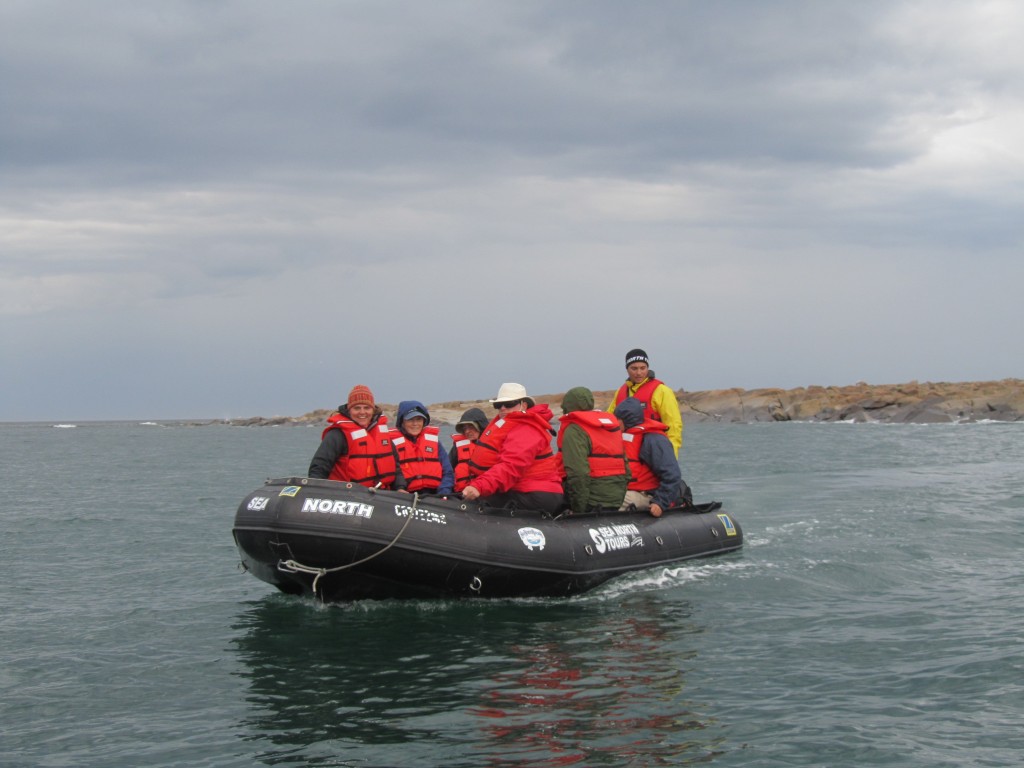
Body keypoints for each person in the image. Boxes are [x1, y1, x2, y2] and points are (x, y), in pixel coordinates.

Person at [461, 383, 563, 514]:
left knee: (478, 503)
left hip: (538, 495)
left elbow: (510, 466)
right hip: (523, 490)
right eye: (498, 405)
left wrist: (479, 486)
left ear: (524, 405)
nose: (503, 408)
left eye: (509, 404)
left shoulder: (527, 429)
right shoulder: (513, 427)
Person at [308, 385, 399, 487]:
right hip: (348, 495)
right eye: (357, 408)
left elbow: (396, 466)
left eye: (367, 408)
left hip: (380, 495)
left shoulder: (382, 433)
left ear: (373, 410)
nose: (362, 412)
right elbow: (319, 466)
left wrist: (400, 487)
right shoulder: (337, 434)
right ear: (349, 410)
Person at [557, 386, 629, 514]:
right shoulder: (611, 428)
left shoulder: (575, 430)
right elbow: (626, 470)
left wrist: (579, 511)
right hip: (616, 499)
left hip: (591, 502)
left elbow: (578, 473)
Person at [614, 397, 688, 517]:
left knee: (611, 501)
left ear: (627, 420)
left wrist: (660, 502)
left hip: (646, 494)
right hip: (625, 490)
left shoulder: (653, 440)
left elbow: (672, 474)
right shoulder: (623, 436)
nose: (615, 423)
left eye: (618, 419)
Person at [607, 348, 683, 457]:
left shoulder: (662, 391)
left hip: (653, 452)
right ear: (627, 369)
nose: (639, 373)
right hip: (627, 454)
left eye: (643, 368)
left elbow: (674, 426)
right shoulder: (620, 392)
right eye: (634, 368)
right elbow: (610, 422)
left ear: (648, 368)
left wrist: (671, 456)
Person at [392, 400, 454, 495]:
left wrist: (444, 492)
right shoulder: (392, 444)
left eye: (419, 419)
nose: (415, 424)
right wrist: (399, 489)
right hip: (406, 496)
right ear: (402, 422)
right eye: (410, 420)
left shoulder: (435, 443)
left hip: (434, 495)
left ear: (424, 421)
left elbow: (448, 472)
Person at [449, 407, 488, 494]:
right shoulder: (458, 447)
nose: (467, 431)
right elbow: (447, 470)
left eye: (471, 427)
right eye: (464, 428)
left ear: (480, 426)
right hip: (462, 494)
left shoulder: (493, 445)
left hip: (486, 494)